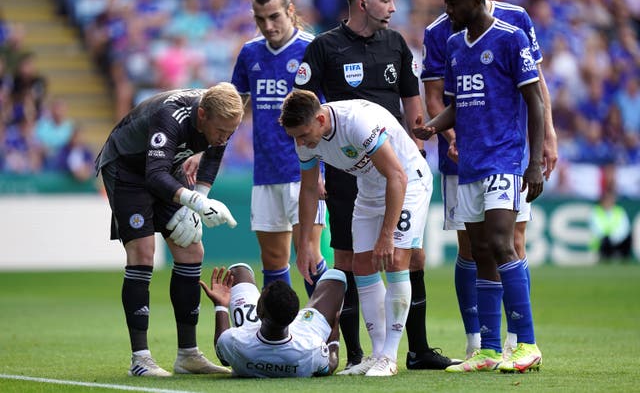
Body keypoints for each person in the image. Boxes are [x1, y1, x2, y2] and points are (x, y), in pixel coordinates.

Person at [294, 0, 455, 371]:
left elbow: (409, 101)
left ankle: (406, 350)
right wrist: (306, 240)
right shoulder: (325, 47)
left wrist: (416, 143)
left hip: (394, 166)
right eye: (387, 0)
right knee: (353, 260)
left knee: (404, 256)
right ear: (363, 3)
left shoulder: (396, 44)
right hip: (350, 170)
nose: (394, 7)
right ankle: (359, 354)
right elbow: (302, 108)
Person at [421, 0, 558, 360]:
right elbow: (457, 104)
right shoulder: (453, 44)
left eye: (453, 2)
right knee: (480, 249)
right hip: (470, 165)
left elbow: (534, 99)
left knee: (502, 243)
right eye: (444, 1)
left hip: (503, 158)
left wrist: (534, 162)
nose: (447, 9)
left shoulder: (511, 37)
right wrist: (432, 128)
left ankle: (527, 343)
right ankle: (488, 349)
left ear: (477, 1)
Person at [280, 90, 433, 377]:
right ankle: (376, 355)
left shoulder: (356, 123)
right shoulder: (305, 138)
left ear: (321, 119)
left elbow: (397, 176)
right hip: (370, 189)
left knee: (397, 260)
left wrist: (387, 235)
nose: (300, 143)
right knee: (361, 265)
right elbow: (310, 189)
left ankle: (389, 356)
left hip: (408, 183)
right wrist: (303, 245)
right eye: (295, 137)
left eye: (302, 134)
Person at [95, 83, 243, 377]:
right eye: (221, 131)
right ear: (202, 115)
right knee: (143, 251)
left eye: (231, 133)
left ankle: (188, 355)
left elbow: (212, 155)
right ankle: (140, 358)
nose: (225, 138)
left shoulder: (221, 117)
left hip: (164, 167)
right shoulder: (171, 115)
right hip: (127, 167)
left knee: (191, 248)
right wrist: (195, 202)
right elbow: (153, 176)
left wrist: (196, 203)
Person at [230, 0, 327, 295]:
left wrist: (328, 166)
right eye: (260, 19)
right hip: (266, 171)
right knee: (272, 260)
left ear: (290, 11)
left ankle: (327, 340)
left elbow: (330, 113)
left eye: (274, 17)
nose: (267, 25)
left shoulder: (313, 49)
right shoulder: (250, 53)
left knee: (309, 256)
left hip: (306, 171)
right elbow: (234, 108)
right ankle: (278, 336)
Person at [198, 263, 346, 377]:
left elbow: (223, 356)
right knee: (337, 278)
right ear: (295, 317)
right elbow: (330, 365)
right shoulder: (313, 348)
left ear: (259, 312)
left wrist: (221, 306)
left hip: (252, 334)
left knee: (239, 271)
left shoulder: (234, 340)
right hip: (303, 333)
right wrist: (334, 341)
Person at [590, 187, 632, 261]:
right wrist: (608, 236)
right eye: (606, 199)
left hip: (618, 239)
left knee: (628, 237)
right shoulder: (596, 211)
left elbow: (624, 228)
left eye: (610, 199)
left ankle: (623, 258)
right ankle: (605, 257)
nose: (608, 201)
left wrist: (615, 237)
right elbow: (596, 229)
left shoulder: (619, 211)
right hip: (603, 241)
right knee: (605, 240)